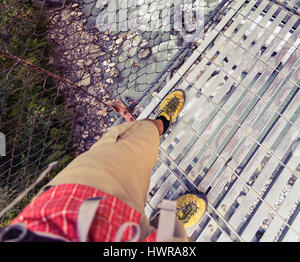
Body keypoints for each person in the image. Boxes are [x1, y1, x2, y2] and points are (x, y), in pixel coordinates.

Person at [0, 90, 207, 242]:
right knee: (174, 239)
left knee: (141, 134)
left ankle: (162, 122)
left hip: (65, 209)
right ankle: (170, 224)